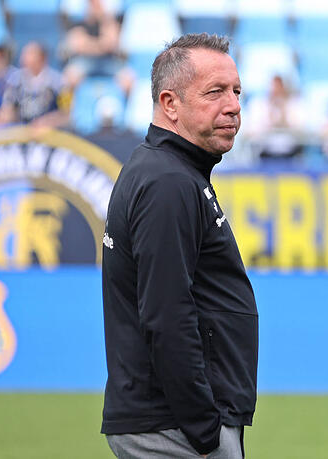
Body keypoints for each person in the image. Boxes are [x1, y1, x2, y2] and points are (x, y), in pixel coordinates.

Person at [101, 33, 257, 458]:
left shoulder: (168, 171)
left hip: (171, 422)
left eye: (237, 91)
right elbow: (166, 315)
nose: (233, 105)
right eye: (215, 92)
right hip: (174, 429)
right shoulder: (167, 182)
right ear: (170, 103)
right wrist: (205, 431)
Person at [0, 42, 70, 128]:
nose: (23, 58)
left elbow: (67, 115)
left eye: (29, 54)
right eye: (23, 54)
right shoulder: (15, 81)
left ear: (42, 58)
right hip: (22, 133)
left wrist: (49, 121)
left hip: (50, 135)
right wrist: (6, 115)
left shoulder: (58, 83)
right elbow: (7, 109)